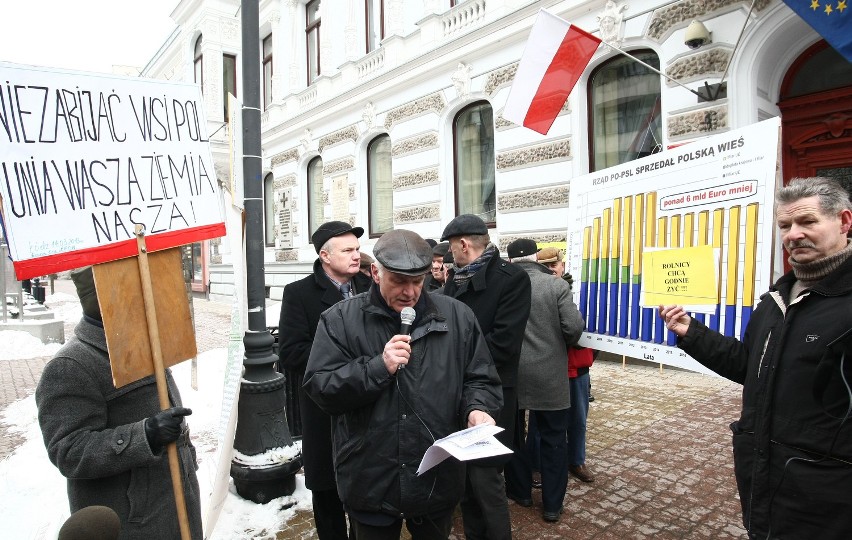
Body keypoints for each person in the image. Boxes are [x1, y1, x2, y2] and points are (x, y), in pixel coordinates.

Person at [658, 177, 852, 540]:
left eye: (807, 222)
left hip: (830, 498)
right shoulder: (776, 300)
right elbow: (749, 367)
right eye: (785, 225)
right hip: (764, 480)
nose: (793, 235)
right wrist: (690, 331)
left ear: (843, 222)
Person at [303, 229, 503, 540]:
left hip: (436, 477)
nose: (410, 292)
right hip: (369, 477)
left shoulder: (457, 316)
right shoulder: (339, 319)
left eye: (418, 281)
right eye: (398, 281)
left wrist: (477, 409)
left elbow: (480, 378)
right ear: (375, 273)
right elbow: (320, 387)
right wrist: (377, 368)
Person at [35, 266, 203, 539]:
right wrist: (144, 435)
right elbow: (68, 451)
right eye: (129, 287)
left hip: (176, 503)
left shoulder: (139, 343)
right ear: (104, 296)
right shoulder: (71, 365)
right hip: (134, 522)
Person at [438, 214, 532, 540]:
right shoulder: (455, 280)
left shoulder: (512, 279)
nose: (451, 254)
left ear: (464, 245)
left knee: (486, 479)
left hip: (492, 394)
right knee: (464, 480)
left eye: (452, 248)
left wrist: (451, 357)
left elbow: (504, 345)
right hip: (455, 392)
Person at [278, 220, 372, 540]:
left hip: (369, 409)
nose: (356, 255)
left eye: (357, 249)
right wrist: (348, 364)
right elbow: (291, 354)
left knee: (369, 490)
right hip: (325, 413)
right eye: (348, 250)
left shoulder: (371, 287)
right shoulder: (299, 294)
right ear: (325, 256)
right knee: (328, 494)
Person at [503, 239, 584, 522]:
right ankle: (551, 505)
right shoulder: (556, 285)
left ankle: (520, 491)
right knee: (553, 439)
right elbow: (573, 328)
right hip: (549, 374)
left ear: (511, 260)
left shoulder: (504, 285)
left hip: (512, 374)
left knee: (514, 435)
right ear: (536, 257)